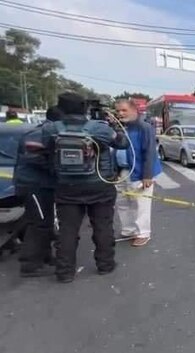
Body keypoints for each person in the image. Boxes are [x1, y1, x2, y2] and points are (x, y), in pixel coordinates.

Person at [42, 92, 129, 283]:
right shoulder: (99, 129)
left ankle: (64, 272)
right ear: (85, 108)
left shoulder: (51, 129)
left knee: (68, 230)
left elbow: (46, 150)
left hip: (67, 186)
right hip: (99, 184)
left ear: (61, 108)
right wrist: (114, 128)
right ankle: (105, 265)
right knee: (103, 225)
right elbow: (122, 143)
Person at [13, 107, 62, 277]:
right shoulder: (39, 133)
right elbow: (33, 157)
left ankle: (44, 256)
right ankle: (30, 264)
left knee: (45, 221)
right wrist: (57, 167)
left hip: (42, 185)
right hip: (34, 185)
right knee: (39, 223)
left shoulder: (47, 132)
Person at [114, 99, 161, 247]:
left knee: (140, 203)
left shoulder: (144, 127)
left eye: (124, 110)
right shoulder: (121, 128)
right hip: (122, 171)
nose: (120, 114)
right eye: (118, 111)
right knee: (122, 202)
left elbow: (150, 152)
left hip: (139, 172)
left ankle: (143, 232)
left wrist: (147, 175)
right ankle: (129, 230)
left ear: (134, 110)